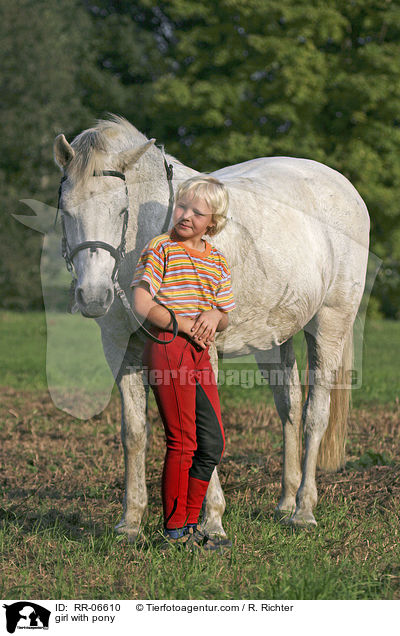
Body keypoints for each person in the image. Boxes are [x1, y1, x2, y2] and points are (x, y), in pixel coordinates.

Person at [130, 175, 235, 551]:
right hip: (169, 347)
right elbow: (142, 302)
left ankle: (192, 525)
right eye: (182, 206)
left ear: (213, 222)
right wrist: (186, 323)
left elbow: (224, 314)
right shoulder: (161, 248)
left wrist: (212, 315)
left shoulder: (217, 259)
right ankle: (174, 531)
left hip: (199, 354)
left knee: (212, 443)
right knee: (183, 441)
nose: (186, 215)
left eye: (197, 211)